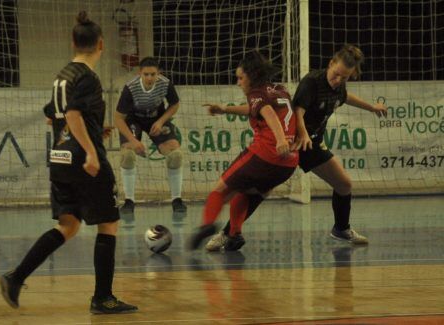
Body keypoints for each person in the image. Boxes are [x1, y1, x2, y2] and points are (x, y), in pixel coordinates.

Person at [0, 11, 137, 314]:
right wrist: (89, 148)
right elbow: (72, 114)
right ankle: (103, 298)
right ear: (101, 44)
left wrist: (89, 129)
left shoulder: (62, 75)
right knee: (109, 223)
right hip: (82, 159)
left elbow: (53, 114)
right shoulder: (87, 77)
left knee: (69, 225)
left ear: (72, 42)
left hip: (60, 157)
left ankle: (15, 277)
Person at [205, 44, 387, 251]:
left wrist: (372, 107)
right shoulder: (312, 82)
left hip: (312, 144)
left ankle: (341, 229)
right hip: (294, 141)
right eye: (336, 75)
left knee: (344, 184)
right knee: (257, 191)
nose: (338, 80)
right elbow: (297, 112)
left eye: (344, 78)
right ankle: (228, 233)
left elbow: (344, 97)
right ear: (330, 64)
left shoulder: (338, 86)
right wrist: (302, 134)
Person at [189, 51, 299, 251]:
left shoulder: (256, 93)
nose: (238, 82)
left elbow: (268, 113)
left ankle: (206, 225)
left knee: (219, 190)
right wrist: (225, 108)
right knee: (247, 193)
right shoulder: (279, 90)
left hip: (265, 154)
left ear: (253, 75)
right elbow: (254, 109)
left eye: (240, 78)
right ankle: (234, 234)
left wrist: (280, 138)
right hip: (288, 163)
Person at [114, 57, 186, 214]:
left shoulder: (165, 83)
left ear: (158, 73)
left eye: (153, 74)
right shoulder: (130, 88)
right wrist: (133, 141)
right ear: (140, 73)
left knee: (175, 155)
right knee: (127, 156)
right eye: (146, 74)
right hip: (133, 120)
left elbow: (175, 105)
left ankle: (177, 200)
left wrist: (161, 122)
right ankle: (129, 201)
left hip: (156, 118)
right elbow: (118, 119)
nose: (149, 78)